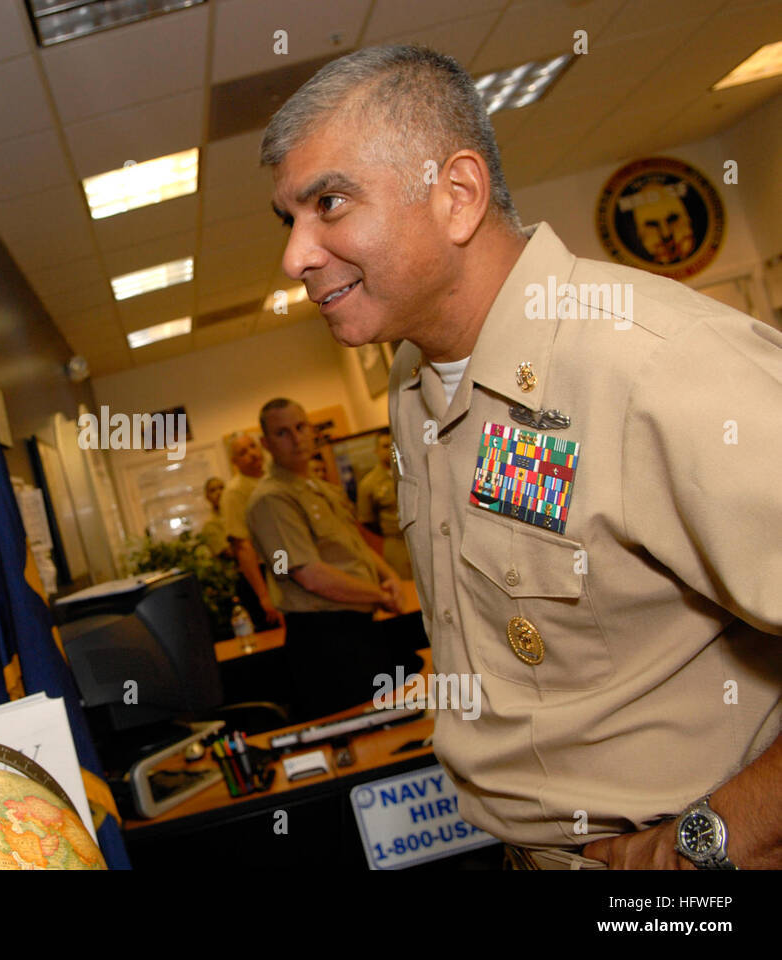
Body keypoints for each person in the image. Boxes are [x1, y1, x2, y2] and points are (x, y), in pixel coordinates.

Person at [263, 44, 782, 869]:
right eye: (287, 220)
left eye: (329, 203)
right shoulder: (412, 388)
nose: (295, 256)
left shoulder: (657, 364)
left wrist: (708, 846)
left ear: (457, 196)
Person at [245, 399, 406, 721]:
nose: (296, 438)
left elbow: (357, 545)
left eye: (301, 427)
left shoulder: (320, 489)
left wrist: (391, 576)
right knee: (361, 735)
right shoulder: (272, 499)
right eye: (282, 432)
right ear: (266, 444)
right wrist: (381, 595)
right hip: (324, 641)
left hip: (358, 628)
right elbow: (310, 576)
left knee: (391, 722)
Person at [220, 434, 281, 628]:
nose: (252, 454)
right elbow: (242, 546)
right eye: (243, 452)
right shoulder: (234, 492)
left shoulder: (275, 478)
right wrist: (263, 595)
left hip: (285, 563)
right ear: (235, 462)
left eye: (253, 447)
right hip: (263, 572)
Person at [356, 431, 413, 580]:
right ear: (376, 450)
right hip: (396, 542)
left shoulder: (412, 472)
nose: (390, 450)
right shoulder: (368, 484)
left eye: (393, 446)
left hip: (420, 536)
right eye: (385, 446)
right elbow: (367, 521)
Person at [199, 477, 228, 556]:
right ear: (207, 497)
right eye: (213, 490)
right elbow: (227, 553)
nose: (219, 492)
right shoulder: (210, 524)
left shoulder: (237, 513)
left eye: (222, 488)